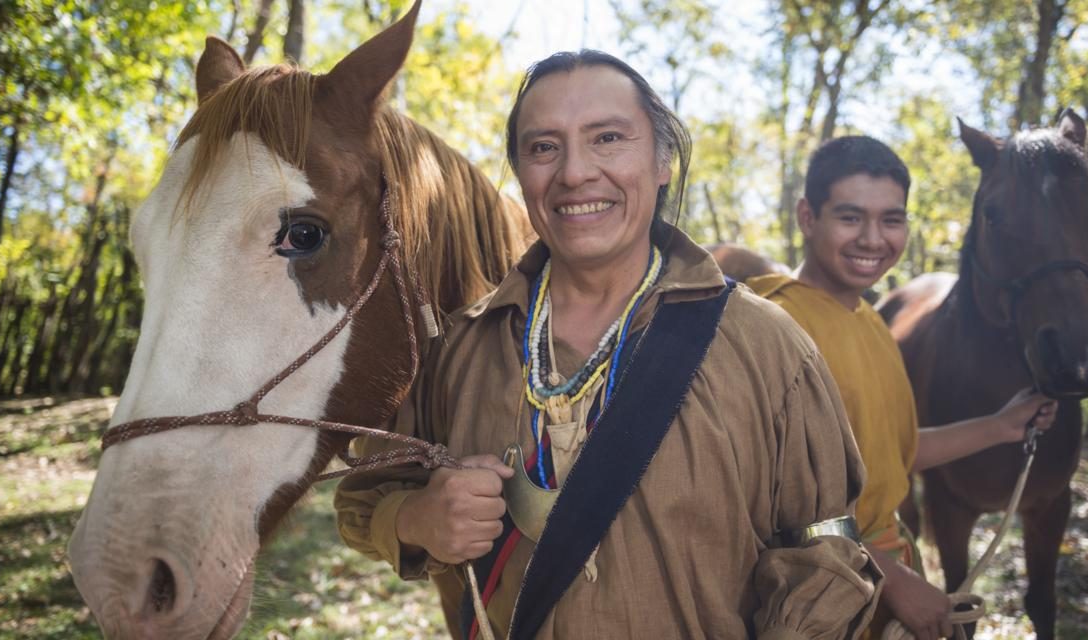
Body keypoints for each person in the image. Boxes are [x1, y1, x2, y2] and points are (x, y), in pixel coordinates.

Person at [335, 51, 882, 639]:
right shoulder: (460, 348)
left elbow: (825, 560)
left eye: (608, 138)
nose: (575, 173)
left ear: (663, 158)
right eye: (544, 147)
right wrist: (416, 519)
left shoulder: (768, 347)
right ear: (521, 170)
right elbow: (364, 502)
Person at [745, 136, 1057, 640]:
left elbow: (894, 453)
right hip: (813, 595)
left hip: (888, 582)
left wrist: (1001, 426)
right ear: (807, 217)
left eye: (891, 219)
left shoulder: (872, 321)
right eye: (850, 217)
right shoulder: (768, 323)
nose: (873, 239)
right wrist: (890, 578)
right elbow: (755, 497)